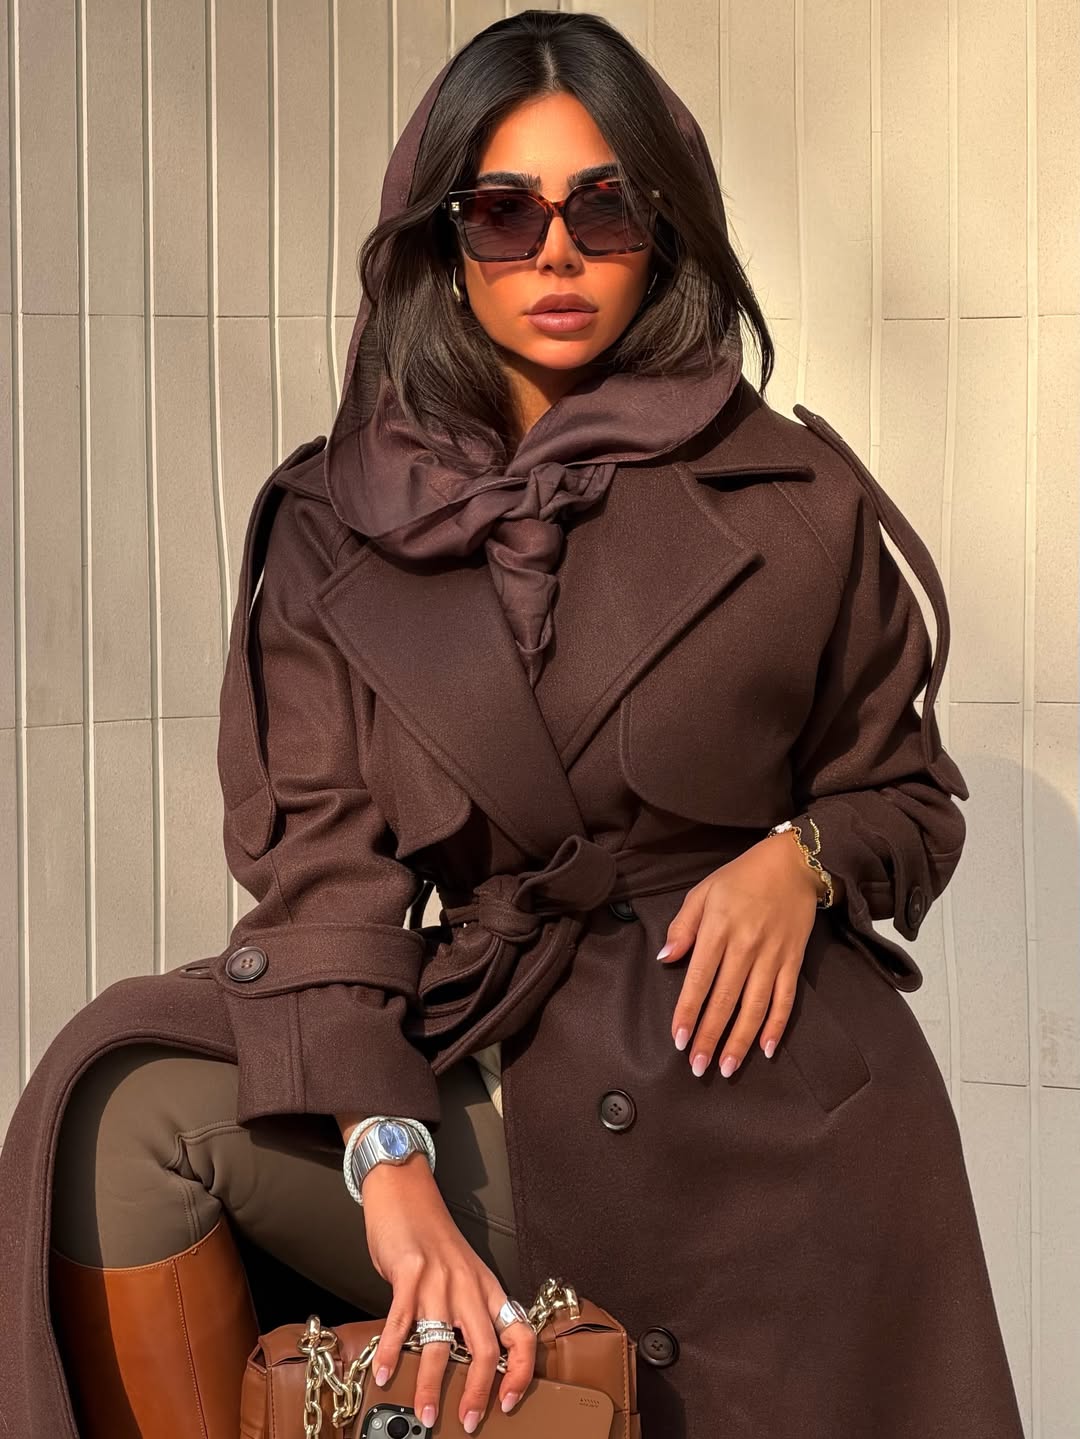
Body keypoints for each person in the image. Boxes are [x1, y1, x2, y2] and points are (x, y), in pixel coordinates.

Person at [0, 10, 1026, 1439]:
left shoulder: (791, 495)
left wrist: (802, 859)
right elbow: (327, 879)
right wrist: (387, 1153)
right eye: (504, 211)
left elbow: (905, 797)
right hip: (497, 1054)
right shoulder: (333, 521)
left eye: (601, 209)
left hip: (760, 1091)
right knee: (118, 1112)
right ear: (444, 238)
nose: (556, 254)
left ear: (662, 231)